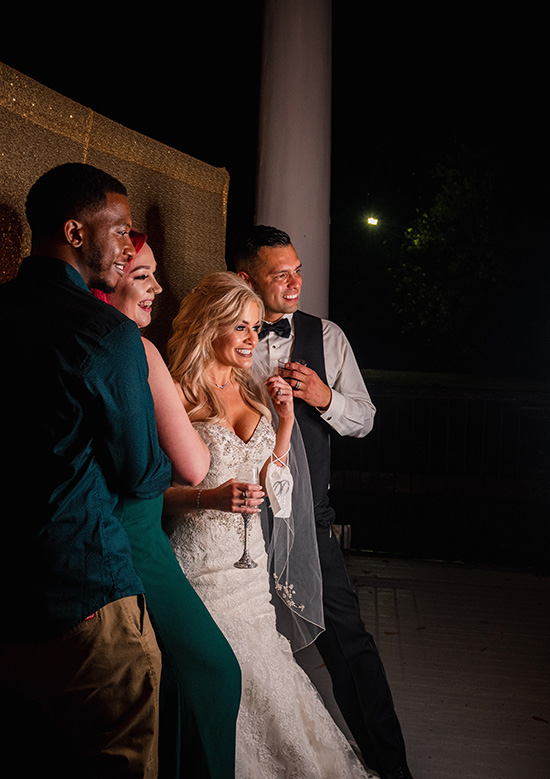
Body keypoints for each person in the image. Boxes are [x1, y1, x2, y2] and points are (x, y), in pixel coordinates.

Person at [0, 163, 170, 778]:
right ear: (76, 232)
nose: (129, 247)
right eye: (121, 230)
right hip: (79, 610)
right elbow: (139, 473)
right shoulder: (105, 335)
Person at [162, 272, 372, 779]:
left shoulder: (252, 387)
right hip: (199, 570)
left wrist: (283, 424)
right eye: (241, 327)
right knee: (223, 677)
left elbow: (276, 486)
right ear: (209, 327)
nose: (253, 339)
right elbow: (149, 495)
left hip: (250, 571)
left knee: (269, 675)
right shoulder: (174, 395)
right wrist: (208, 497)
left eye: (257, 327)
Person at [234, 225, 414, 779]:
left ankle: (392, 770)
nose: (295, 283)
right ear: (247, 279)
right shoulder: (224, 335)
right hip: (234, 520)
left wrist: (324, 397)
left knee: (350, 647)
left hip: (307, 520)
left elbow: (364, 420)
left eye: (298, 270)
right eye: (279, 274)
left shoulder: (326, 335)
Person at [96, 233, 241, 779]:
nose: (158, 287)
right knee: (215, 673)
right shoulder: (139, 349)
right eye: (143, 275)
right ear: (106, 278)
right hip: (137, 537)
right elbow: (195, 465)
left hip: (89, 533)